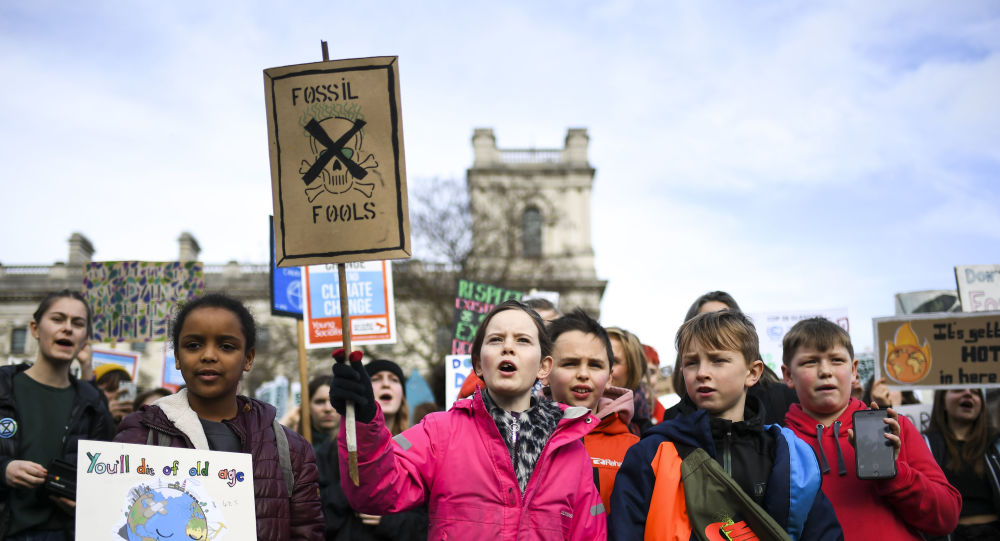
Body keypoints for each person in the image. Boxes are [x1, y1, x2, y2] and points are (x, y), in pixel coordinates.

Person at [330, 299, 606, 539]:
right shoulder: (438, 431)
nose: (508, 347)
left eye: (522, 340)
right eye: (496, 339)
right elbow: (374, 492)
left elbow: (589, 533)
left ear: (544, 367)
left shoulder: (570, 449)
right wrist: (364, 419)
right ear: (477, 363)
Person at [610, 310, 842, 540]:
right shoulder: (651, 453)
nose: (702, 373)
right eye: (691, 363)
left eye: (718, 360)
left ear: (752, 372)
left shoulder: (789, 455)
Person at [114, 293, 323, 540]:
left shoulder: (291, 450)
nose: (209, 355)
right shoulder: (139, 435)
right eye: (193, 345)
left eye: (226, 346)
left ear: (248, 358)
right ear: (178, 357)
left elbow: (308, 532)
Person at [781, 317, 960, 540]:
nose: (825, 371)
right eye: (810, 362)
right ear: (788, 375)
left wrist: (895, 472)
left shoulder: (893, 428)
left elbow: (946, 517)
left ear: (854, 370)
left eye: (837, 360)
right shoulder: (779, 444)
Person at [0, 290, 116, 540]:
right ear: (35, 328)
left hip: (64, 532)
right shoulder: (2, 385)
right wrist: (4, 469)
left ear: (85, 337)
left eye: (77, 323)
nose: (67, 329)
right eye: (57, 319)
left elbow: (107, 475)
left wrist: (85, 500)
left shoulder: (93, 402)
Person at [320, 360, 427, 541]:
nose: (386, 384)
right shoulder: (332, 448)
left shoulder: (414, 446)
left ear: (403, 395)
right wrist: (359, 488)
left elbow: (427, 521)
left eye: (394, 380)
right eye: (376, 379)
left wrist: (389, 520)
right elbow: (316, 511)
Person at [544, 309, 639, 513]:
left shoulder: (635, 451)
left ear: (610, 378)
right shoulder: (519, 440)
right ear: (544, 370)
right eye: (570, 363)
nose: (583, 374)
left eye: (595, 365)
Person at [664, 291, 797, 426]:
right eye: (704, 320)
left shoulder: (783, 408)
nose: (714, 326)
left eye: (725, 318)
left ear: (752, 372)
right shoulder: (669, 426)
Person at [924, 389, 1000, 540]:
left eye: (976, 392)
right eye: (958, 390)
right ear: (942, 402)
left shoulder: (996, 444)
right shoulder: (925, 445)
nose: (968, 394)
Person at [606, 327, 652, 435]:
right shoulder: (565, 416)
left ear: (633, 371)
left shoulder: (648, 436)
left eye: (613, 361)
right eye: (597, 359)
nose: (603, 368)